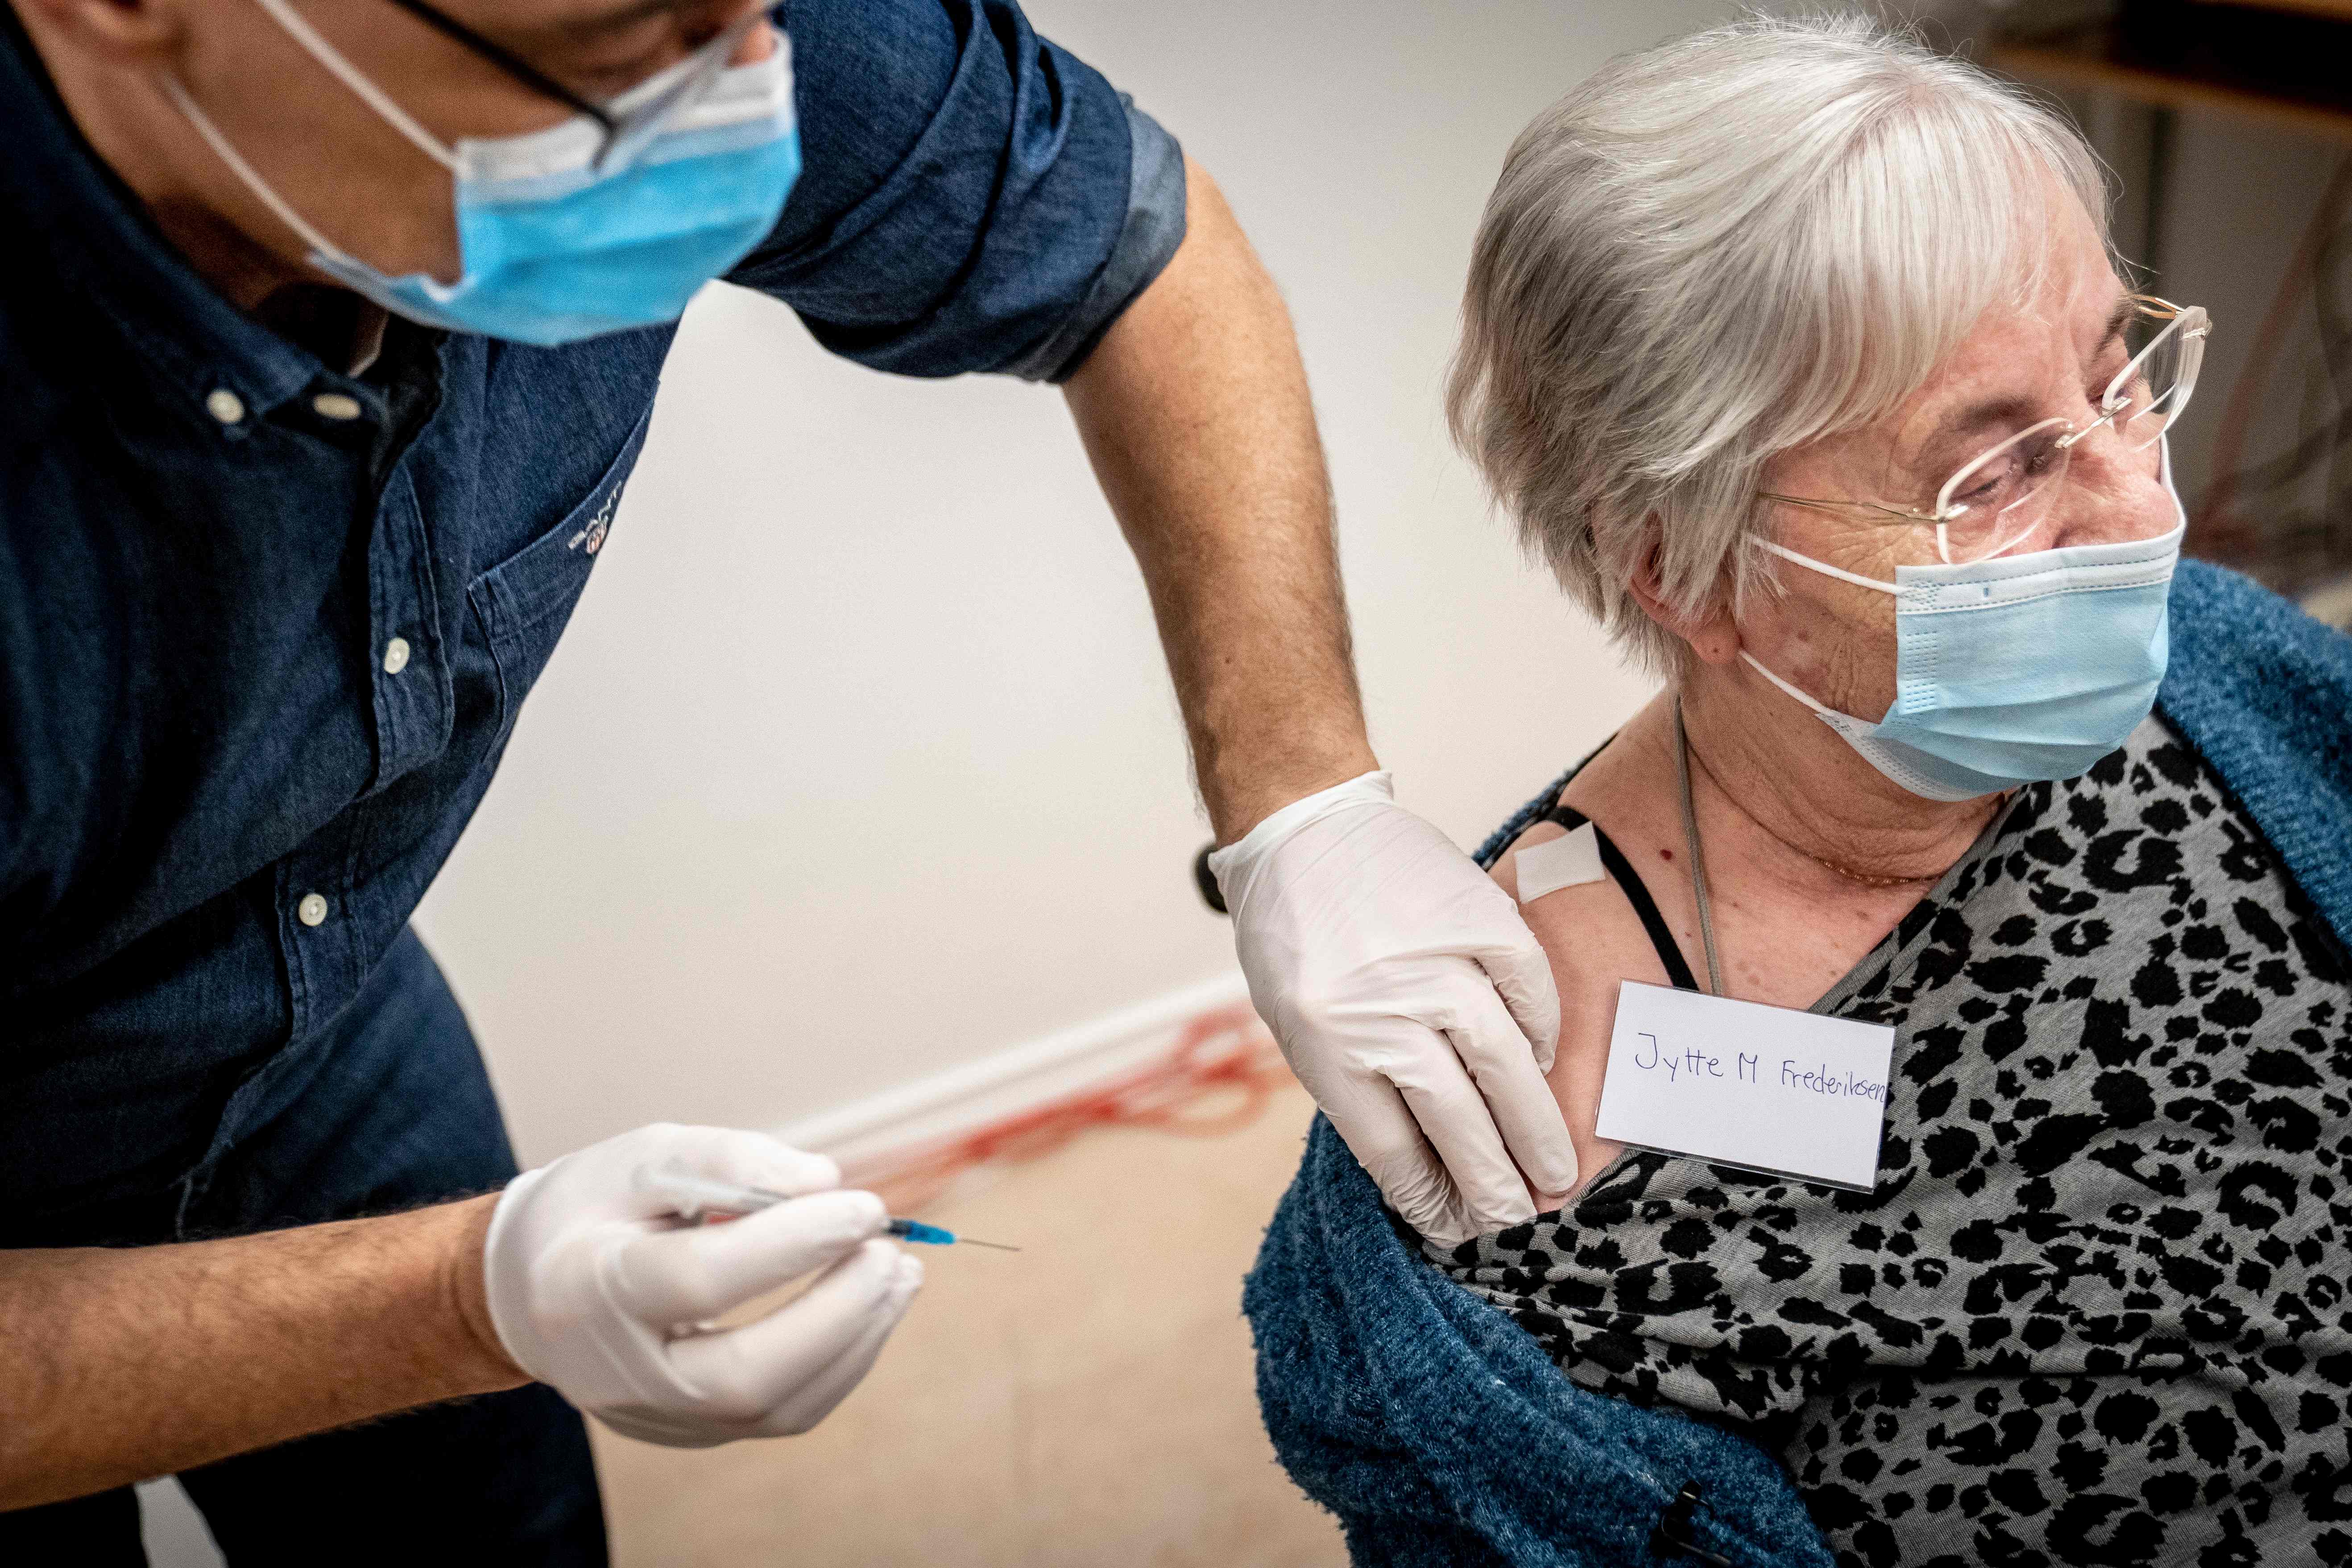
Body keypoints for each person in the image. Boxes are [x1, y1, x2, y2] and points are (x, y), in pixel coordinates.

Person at [0, 0, 1582, 1554]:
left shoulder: (693, 31)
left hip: (318, 1004)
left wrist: (1306, 809)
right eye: (633, 55)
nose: (749, 107)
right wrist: (464, 1297)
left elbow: (1139, 253)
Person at [1245, 16, 2352, 1567]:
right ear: (1691, 574)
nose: (2140, 504)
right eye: (1996, 475)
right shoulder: (1500, 1140)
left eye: (2119, 381)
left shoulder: (2225, 682)